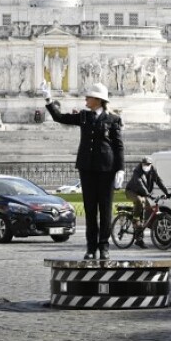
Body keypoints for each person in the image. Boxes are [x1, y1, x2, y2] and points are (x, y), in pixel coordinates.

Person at [44, 82, 123, 260]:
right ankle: (91, 248)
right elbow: (60, 117)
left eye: (89, 97)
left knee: (105, 211)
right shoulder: (84, 116)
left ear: (98, 100)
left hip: (106, 169)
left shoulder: (113, 119)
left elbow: (118, 146)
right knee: (90, 210)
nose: (86, 99)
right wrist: (48, 100)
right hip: (87, 168)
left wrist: (120, 169)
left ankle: (104, 247)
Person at [125, 157, 171, 248]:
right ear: (141, 164)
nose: (146, 166)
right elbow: (139, 183)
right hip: (131, 191)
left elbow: (159, 181)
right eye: (145, 164)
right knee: (139, 201)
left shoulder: (152, 170)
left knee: (147, 212)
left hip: (143, 193)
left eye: (148, 164)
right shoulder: (137, 171)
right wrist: (148, 194)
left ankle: (139, 239)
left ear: (151, 164)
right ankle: (135, 219)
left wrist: (167, 193)